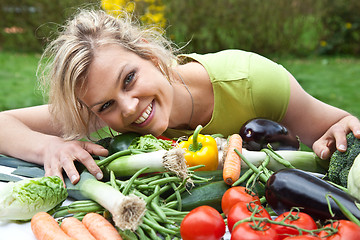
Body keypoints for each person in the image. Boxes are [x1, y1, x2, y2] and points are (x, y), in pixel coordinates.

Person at [0, 9, 359, 185]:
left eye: (129, 79)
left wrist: (342, 128)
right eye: (105, 104)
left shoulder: (251, 81)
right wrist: (49, 147)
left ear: (149, 54)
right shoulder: (106, 109)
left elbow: (337, 130)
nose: (128, 108)